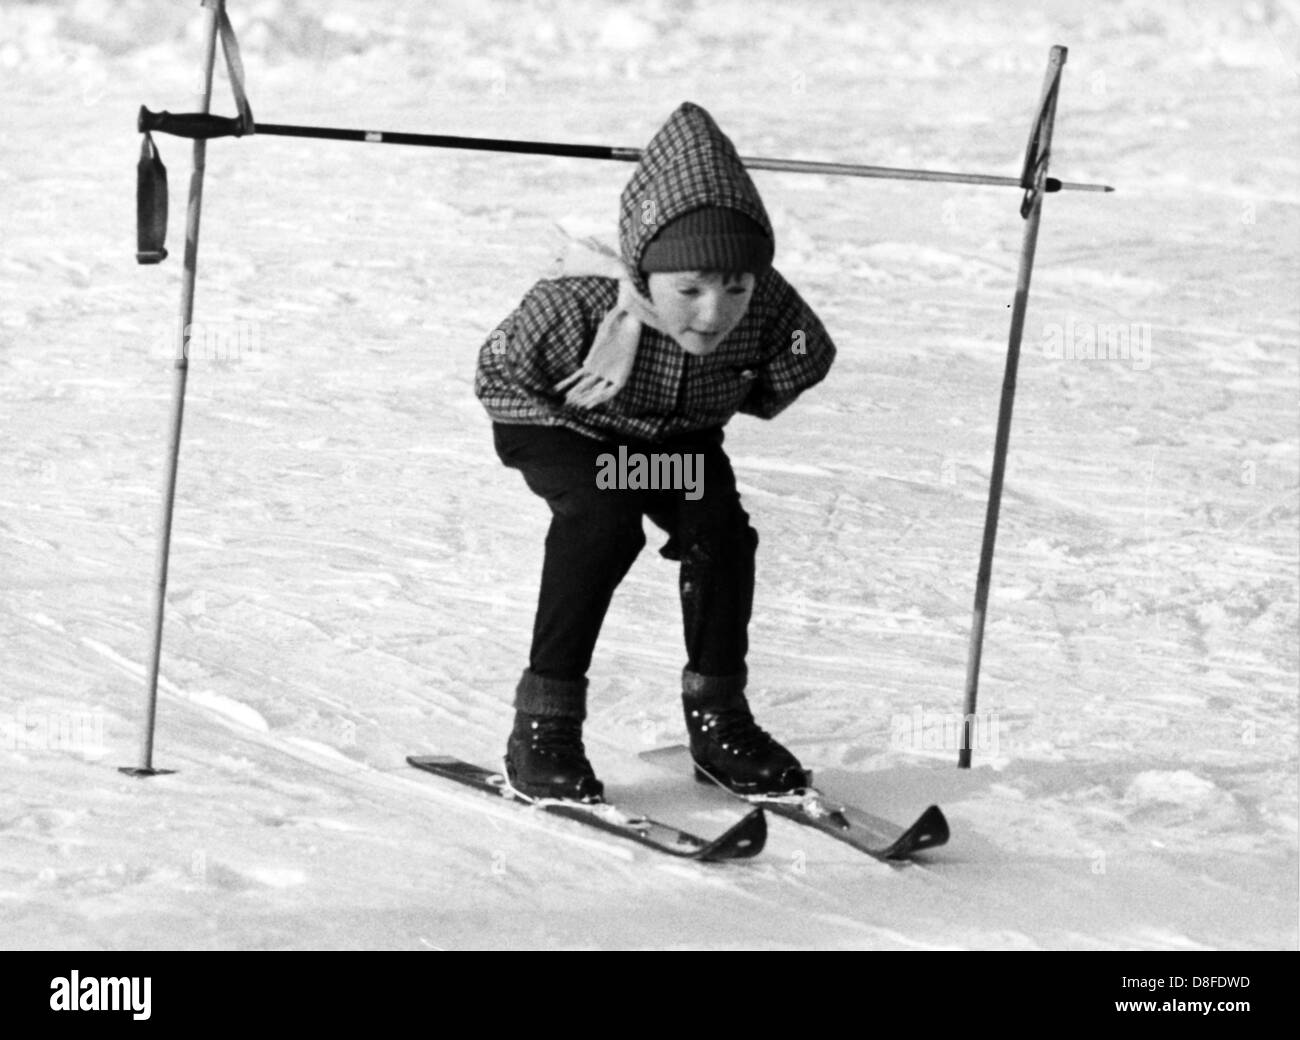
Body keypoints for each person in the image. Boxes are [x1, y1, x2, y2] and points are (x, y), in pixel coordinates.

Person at [474, 101, 837, 802]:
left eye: (735, 286)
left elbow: (803, 353)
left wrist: (759, 360)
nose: (713, 311)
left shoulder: (767, 309)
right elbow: (498, 368)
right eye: (689, 289)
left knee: (720, 535)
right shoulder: (576, 303)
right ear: (643, 273)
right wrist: (582, 444)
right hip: (564, 428)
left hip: (671, 444)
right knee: (603, 522)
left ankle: (720, 722)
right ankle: (543, 728)